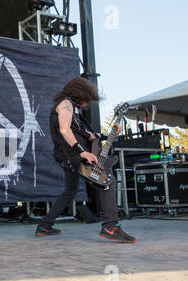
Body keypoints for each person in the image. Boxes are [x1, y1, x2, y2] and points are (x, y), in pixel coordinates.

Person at [35, 77, 136, 243]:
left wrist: (110, 134)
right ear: (80, 93)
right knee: (107, 181)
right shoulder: (65, 104)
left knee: (70, 191)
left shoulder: (75, 109)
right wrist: (81, 152)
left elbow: (88, 135)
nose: (88, 103)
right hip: (73, 156)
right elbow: (64, 129)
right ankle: (110, 227)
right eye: (87, 99)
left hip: (71, 155)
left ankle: (44, 226)